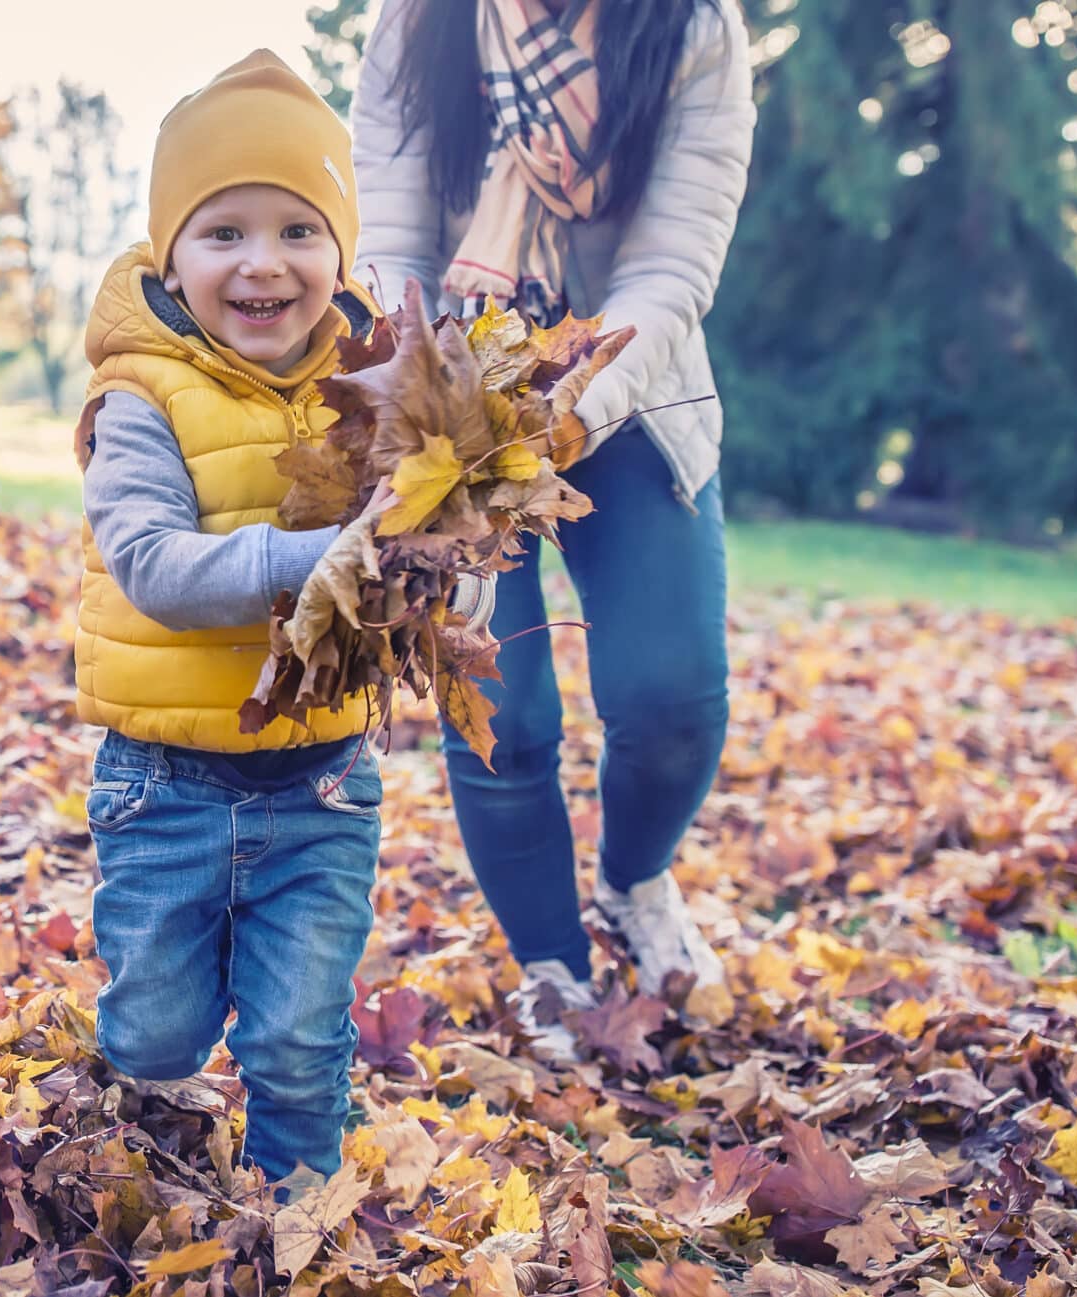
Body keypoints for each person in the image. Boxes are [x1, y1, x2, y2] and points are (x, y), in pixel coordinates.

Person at [351, 0, 756, 1057]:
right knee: (503, 716)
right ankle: (548, 964)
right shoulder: (419, 27)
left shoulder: (688, 30)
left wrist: (573, 405)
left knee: (671, 698)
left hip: (628, 395)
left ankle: (634, 880)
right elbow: (388, 238)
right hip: (447, 399)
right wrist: (428, 389)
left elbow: (671, 269)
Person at [72, 50, 409, 1190]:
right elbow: (154, 566)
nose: (263, 262)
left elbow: (432, 561)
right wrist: (332, 553)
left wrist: (442, 560)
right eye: (224, 232)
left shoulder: (379, 393)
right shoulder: (141, 396)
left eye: (297, 231)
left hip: (319, 785)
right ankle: (141, 1200)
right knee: (154, 1039)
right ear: (171, 253)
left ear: (339, 253)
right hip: (163, 786)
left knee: (299, 1043)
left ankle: (295, 1226)